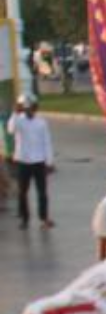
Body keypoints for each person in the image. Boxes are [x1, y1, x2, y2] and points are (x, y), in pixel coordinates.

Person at [9, 95, 54, 229]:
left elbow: (47, 142)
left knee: (42, 192)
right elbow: (10, 129)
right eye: (25, 108)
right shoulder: (18, 121)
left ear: (35, 108)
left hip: (39, 161)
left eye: (31, 108)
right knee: (22, 192)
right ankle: (24, 219)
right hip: (23, 161)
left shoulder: (41, 122)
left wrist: (49, 161)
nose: (28, 111)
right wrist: (15, 113)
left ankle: (44, 218)